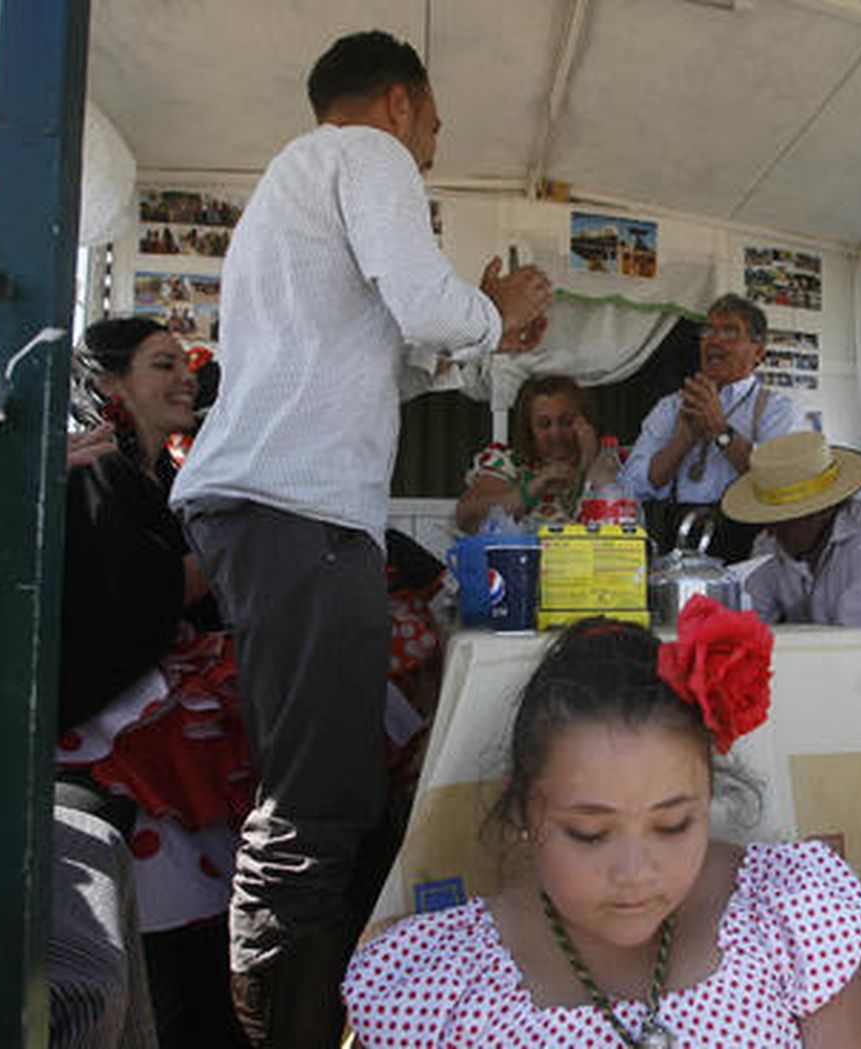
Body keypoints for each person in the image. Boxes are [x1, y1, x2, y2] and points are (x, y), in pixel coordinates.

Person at [168, 29, 554, 1047]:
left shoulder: (297, 186)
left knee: (322, 788)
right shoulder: (362, 155)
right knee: (316, 803)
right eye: (432, 125)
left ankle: (298, 1012)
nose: (429, 146)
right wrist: (494, 306)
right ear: (397, 101)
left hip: (280, 508)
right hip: (295, 510)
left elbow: (381, 357)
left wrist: (468, 334)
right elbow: (428, 301)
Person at [342, 598, 861, 1047]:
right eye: (589, 833)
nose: (636, 872)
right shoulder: (439, 991)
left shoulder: (790, 919)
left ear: (708, 797)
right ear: (520, 809)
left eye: (673, 825)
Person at [58, 316, 251, 1048]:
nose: (185, 378)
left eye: (187, 364)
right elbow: (147, 594)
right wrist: (248, 541)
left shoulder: (157, 469)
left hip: (148, 676)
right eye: (162, 364)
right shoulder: (102, 469)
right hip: (105, 706)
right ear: (111, 385)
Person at [620, 293, 802, 561]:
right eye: (708, 330)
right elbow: (632, 485)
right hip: (678, 542)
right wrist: (682, 440)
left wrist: (720, 430)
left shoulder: (777, 410)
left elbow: (778, 481)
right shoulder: (671, 407)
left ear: (758, 352)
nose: (714, 340)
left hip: (750, 547)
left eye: (730, 332)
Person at [721, 430, 861, 627]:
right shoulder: (768, 544)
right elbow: (751, 626)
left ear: (822, 510)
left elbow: (853, 633)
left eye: (783, 519)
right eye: (766, 518)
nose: (770, 530)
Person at [455, 374, 599, 532]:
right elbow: (467, 517)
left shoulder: (608, 460)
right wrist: (536, 485)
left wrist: (589, 462)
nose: (556, 434)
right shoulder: (508, 462)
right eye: (544, 424)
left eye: (566, 422)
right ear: (529, 429)